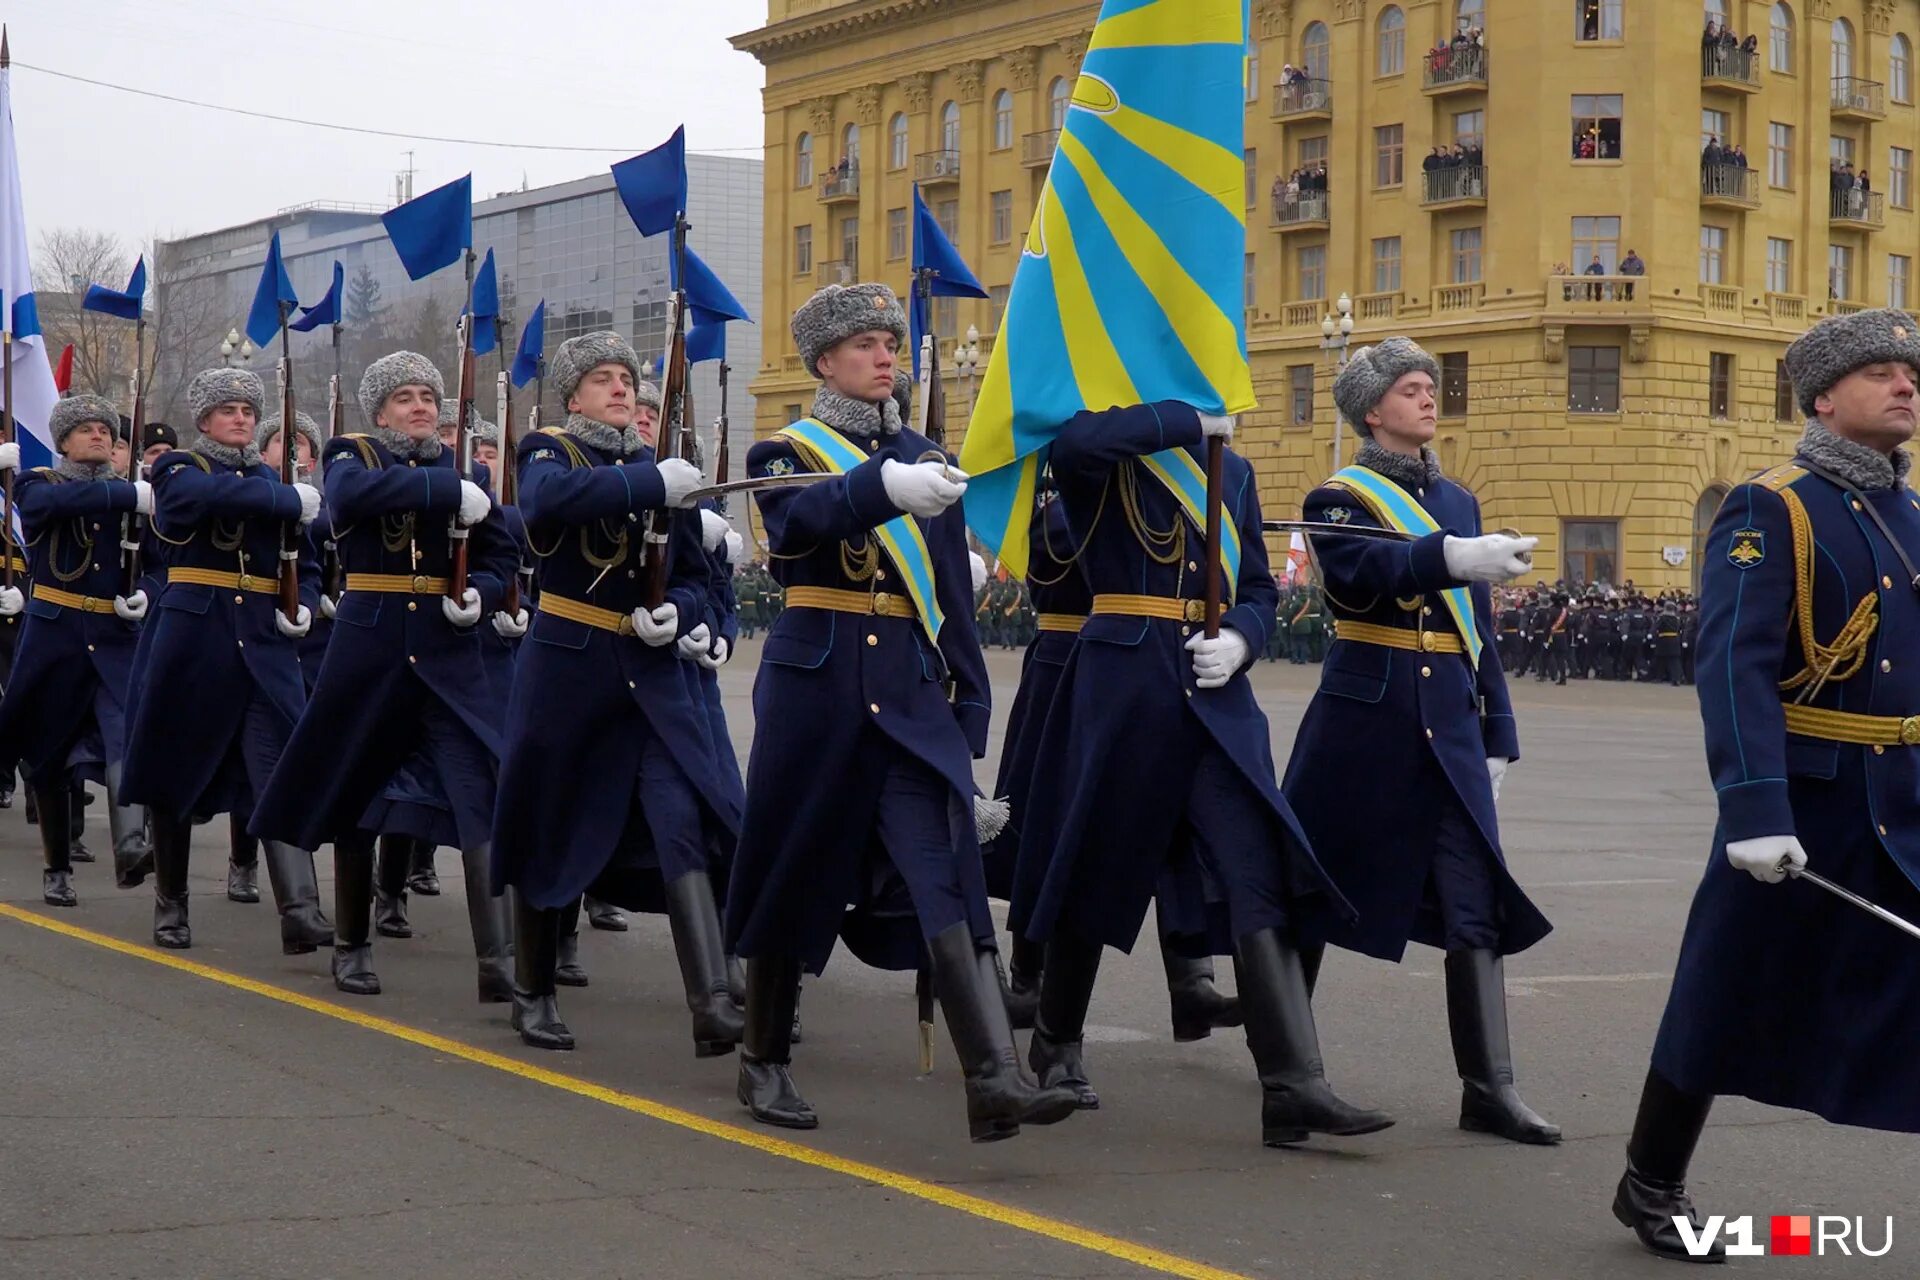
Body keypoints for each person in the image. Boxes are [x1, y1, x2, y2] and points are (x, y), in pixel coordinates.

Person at [731, 282, 1077, 1141]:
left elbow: (953, 602)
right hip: (819, 688)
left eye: (890, 343)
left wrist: (968, 718)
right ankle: (762, 1056)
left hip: (912, 698)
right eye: (865, 346)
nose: (886, 356)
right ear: (824, 363)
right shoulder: (787, 451)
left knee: (946, 872)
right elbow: (801, 523)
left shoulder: (923, 452)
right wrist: (883, 488)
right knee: (795, 866)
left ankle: (995, 1077)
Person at [1009, 387, 1396, 1148]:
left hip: (1216, 692)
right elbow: (1072, 450)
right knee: (1097, 863)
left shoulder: (1236, 472)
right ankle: (1057, 1043)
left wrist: (1247, 640)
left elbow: (1254, 585)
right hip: (1124, 682)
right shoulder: (1116, 451)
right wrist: (1185, 421)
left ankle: (1292, 1084)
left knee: (1258, 872)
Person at [1614, 307, 1920, 1261]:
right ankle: (1650, 1183)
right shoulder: (1773, 505)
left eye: (1911, 372)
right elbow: (1735, 664)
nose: (1907, 385)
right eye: (1881, 373)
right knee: (1725, 990)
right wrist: (1752, 807)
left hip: (1904, 795)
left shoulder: (1908, 512)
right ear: (1825, 397)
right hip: (1809, 800)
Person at [1283, 339, 1556, 1145]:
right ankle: (1289, 1077)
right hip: (1365, 721)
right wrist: (1447, 555)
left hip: (1451, 723)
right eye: (1410, 389)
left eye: (1432, 386)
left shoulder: (1461, 500)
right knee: (1314, 894)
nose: (1430, 398)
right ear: (1373, 410)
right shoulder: (1336, 497)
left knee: (1475, 902)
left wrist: (1498, 729)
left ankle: (1489, 1088)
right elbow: (1364, 571)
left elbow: (1480, 628)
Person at [490, 331, 741, 1055]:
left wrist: (685, 616)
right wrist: (652, 483)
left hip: (652, 678)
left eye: (627, 378)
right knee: (555, 824)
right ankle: (532, 991)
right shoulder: (551, 449)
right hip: (570, 672)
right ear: (573, 399)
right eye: (602, 379)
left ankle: (713, 1001)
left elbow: (698, 577)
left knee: (683, 820)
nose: (622, 389)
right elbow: (547, 502)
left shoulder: (656, 466)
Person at [251, 353, 517, 1001]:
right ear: (379, 411)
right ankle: (352, 944)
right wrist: (447, 491)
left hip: (446, 650)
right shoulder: (354, 455)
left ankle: (499, 961)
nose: (422, 405)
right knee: (356, 795)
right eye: (405, 396)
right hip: (369, 646)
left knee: (479, 787)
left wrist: (479, 591)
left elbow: (503, 549)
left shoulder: (464, 470)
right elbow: (348, 501)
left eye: (429, 394)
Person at [118, 368, 333, 954]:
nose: (240, 418)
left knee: (279, 768)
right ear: (205, 420)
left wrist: (305, 607)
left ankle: (300, 908)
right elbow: (192, 502)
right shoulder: (180, 467)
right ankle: (171, 904)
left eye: (247, 410)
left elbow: (306, 562)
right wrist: (287, 498)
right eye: (229, 410)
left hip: (263, 640)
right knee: (174, 772)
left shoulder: (275, 479)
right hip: (195, 634)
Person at [0, 395, 154, 903]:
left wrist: (146, 592)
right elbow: (46, 510)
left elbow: (160, 563)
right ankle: (56, 864)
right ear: (63, 442)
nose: (99, 437)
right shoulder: (40, 482)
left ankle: (131, 843)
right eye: (86, 430)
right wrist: (123, 495)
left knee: (125, 731)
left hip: (114, 633)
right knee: (48, 752)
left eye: (106, 432)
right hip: (55, 632)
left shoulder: (135, 497)